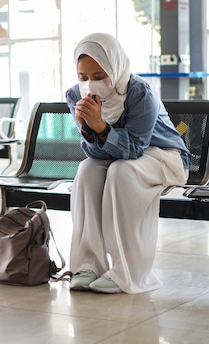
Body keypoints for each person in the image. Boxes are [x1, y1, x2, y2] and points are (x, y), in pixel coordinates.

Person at [65, 33, 191, 294]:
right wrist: (90, 130)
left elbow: (134, 149)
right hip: (116, 160)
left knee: (122, 171)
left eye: (99, 76)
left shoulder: (139, 93)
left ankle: (128, 270)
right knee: (87, 170)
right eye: (83, 77)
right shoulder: (75, 96)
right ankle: (88, 265)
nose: (90, 84)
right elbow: (94, 155)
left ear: (114, 67)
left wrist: (100, 126)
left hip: (164, 157)